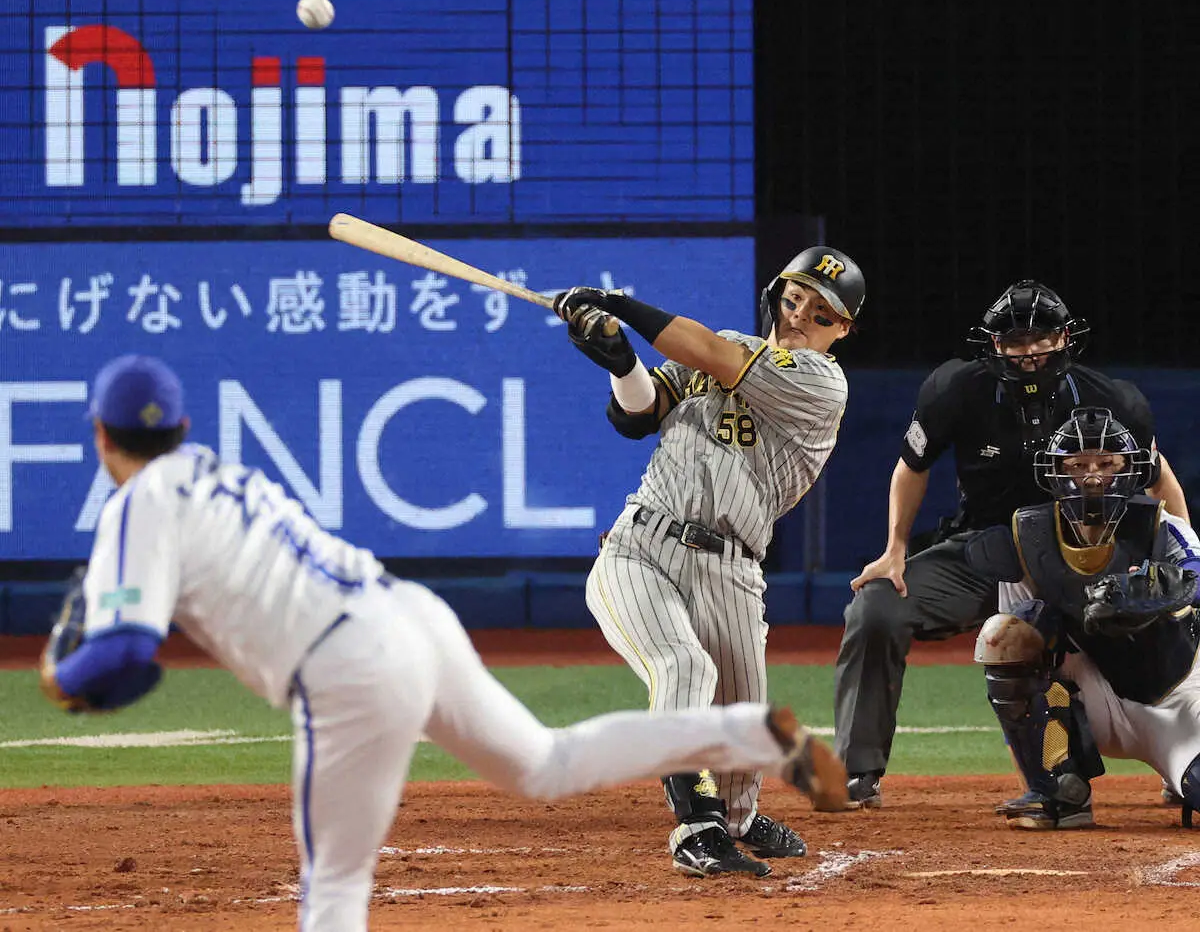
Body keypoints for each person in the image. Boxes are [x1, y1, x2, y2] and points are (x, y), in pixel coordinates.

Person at [37, 354, 849, 932]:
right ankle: (743, 732)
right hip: (410, 616)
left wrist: (60, 676)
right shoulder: (215, 469)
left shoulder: (138, 501)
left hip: (347, 670)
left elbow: (122, 663)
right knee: (545, 761)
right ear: (180, 426)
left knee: (335, 892)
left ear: (101, 437)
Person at [552, 246, 865, 877]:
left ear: (842, 328)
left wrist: (620, 306)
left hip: (732, 570)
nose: (800, 314)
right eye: (793, 298)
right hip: (641, 546)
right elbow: (639, 416)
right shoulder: (718, 347)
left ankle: (737, 818)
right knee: (682, 666)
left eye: (820, 310)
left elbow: (714, 357)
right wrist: (619, 359)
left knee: (743, 730)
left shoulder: (820, 382)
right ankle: (695, 828)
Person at [832, 280, 1189, 810]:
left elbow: (1158, 478)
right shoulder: (957, 388)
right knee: (876, 607)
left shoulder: (1108, 400)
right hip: (986, 550)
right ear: (994, 344)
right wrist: (895, 549)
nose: (1028, 352)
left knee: (1150, 624)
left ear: (1066, 337)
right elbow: (911, 468)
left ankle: (1158, 752)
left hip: (1083, 554)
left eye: (1040, 338)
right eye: (1014, 340)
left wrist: (1178, 554)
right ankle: (857, 773)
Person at [967, 407, 1200, 829]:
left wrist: (1158, 591)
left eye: (1107, 464)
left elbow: (1196, 573)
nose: (1093, 476)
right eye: (1077, 464)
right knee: (1006, 635)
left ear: (1131, 469)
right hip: (1091, 694)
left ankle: (1180, 775)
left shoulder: (1161, 526)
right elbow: (1016, 643)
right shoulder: (1028, 535)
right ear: (1055, 472)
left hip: (1179, 695)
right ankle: (1057, 786)